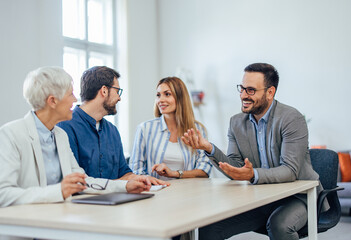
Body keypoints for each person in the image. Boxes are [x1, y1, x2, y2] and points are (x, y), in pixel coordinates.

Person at [182, 63, 327, 240]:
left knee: (279, 225)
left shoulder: (291, 118)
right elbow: (234, 167)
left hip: (299, 197)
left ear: (270, 92)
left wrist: (252, 175)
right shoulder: (236, 122)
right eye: (242, 89)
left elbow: (290, 170)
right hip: (262, 197)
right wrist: (209, 148)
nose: (243, 95)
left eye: (251, 90)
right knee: (209, 229)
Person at [0, 67, 151, 208]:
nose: (75, 99)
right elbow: (3, 194)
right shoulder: (10, 134)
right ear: (53, 101)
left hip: (62, 220)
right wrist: (59, 191)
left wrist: (125, 186)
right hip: (27, 229)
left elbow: (83, 181)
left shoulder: (60, 136)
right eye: (70, 94)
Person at [57, 66, 167, 186]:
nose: (119, 98)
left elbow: (124, 173)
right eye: (117, 91)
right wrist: (120, 184)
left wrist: (141, 178)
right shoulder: (65, 126)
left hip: (117, 202)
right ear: (104, 90)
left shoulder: (112, 131)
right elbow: (75, 182)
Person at [129, 77, 212, 181]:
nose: (161, 100)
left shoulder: (197, 130)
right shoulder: (144, 129)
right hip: (156, 193)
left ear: (180, 98)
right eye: (158, 95)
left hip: (189, 193)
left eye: (167, 94)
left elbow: (204, 170)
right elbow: (136, 170)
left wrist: (175, 174)